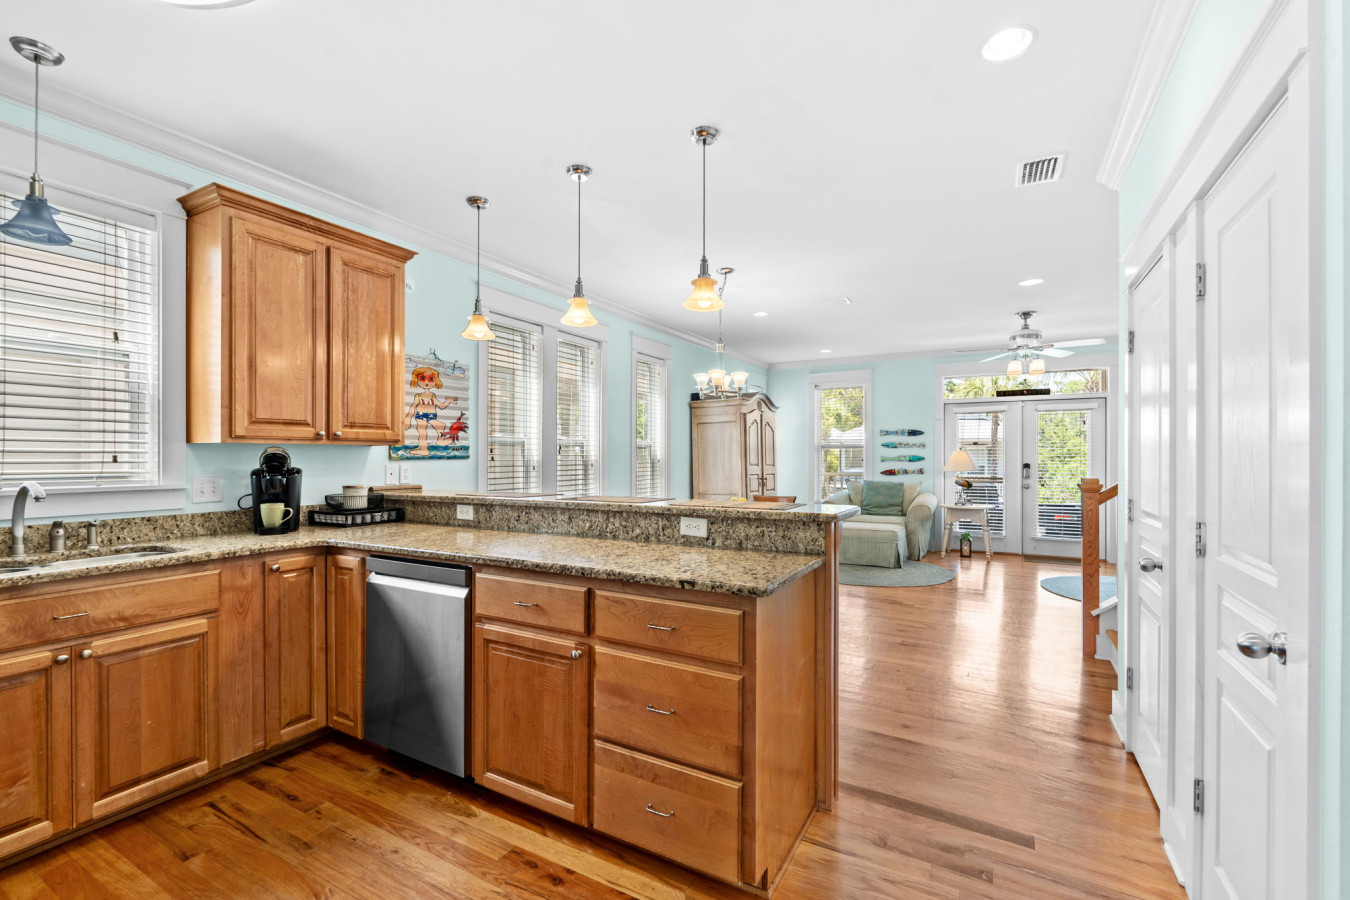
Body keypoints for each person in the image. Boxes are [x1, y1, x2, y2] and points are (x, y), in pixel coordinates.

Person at [403, 366, 458, 456]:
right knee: (422, 431)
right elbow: (413, 406)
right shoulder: (419, 396)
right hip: (421, 415)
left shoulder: (433, 396)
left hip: (432, 416)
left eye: (431, 379)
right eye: (422, 378)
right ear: (416, 380)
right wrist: (408, 418)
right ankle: (424, 449)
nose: (427, 382)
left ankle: (440, 441)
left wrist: (448, 401)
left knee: (441, 425)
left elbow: (441, 406)